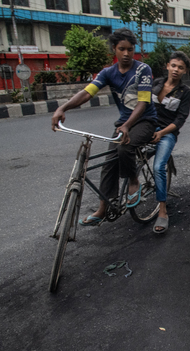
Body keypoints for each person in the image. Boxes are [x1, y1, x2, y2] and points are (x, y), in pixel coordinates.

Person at [51, 28, 158, 226]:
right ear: (114, 50)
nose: (126, 53)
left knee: (125, 147)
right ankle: (103, 208)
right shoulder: (108, 73)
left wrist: (126, 125)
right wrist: (63, 107)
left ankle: (134, 181)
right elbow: (86, 93)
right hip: (124, 124)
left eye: (130, 49)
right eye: (122, 49)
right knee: (109, 164)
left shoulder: (143, 69)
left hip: (144, 121)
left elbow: (142, 104)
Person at [150, 51, 190, 234]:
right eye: (173, 65)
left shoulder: (185, 92)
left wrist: (161, 133)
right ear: (167, 66)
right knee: (123, 150)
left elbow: (180, 120)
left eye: (180, 67)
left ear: (185, 71)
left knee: (158, 166)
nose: (176, 70)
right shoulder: (155, 84)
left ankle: (162, 211)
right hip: (147, 128)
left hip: (167, 133)